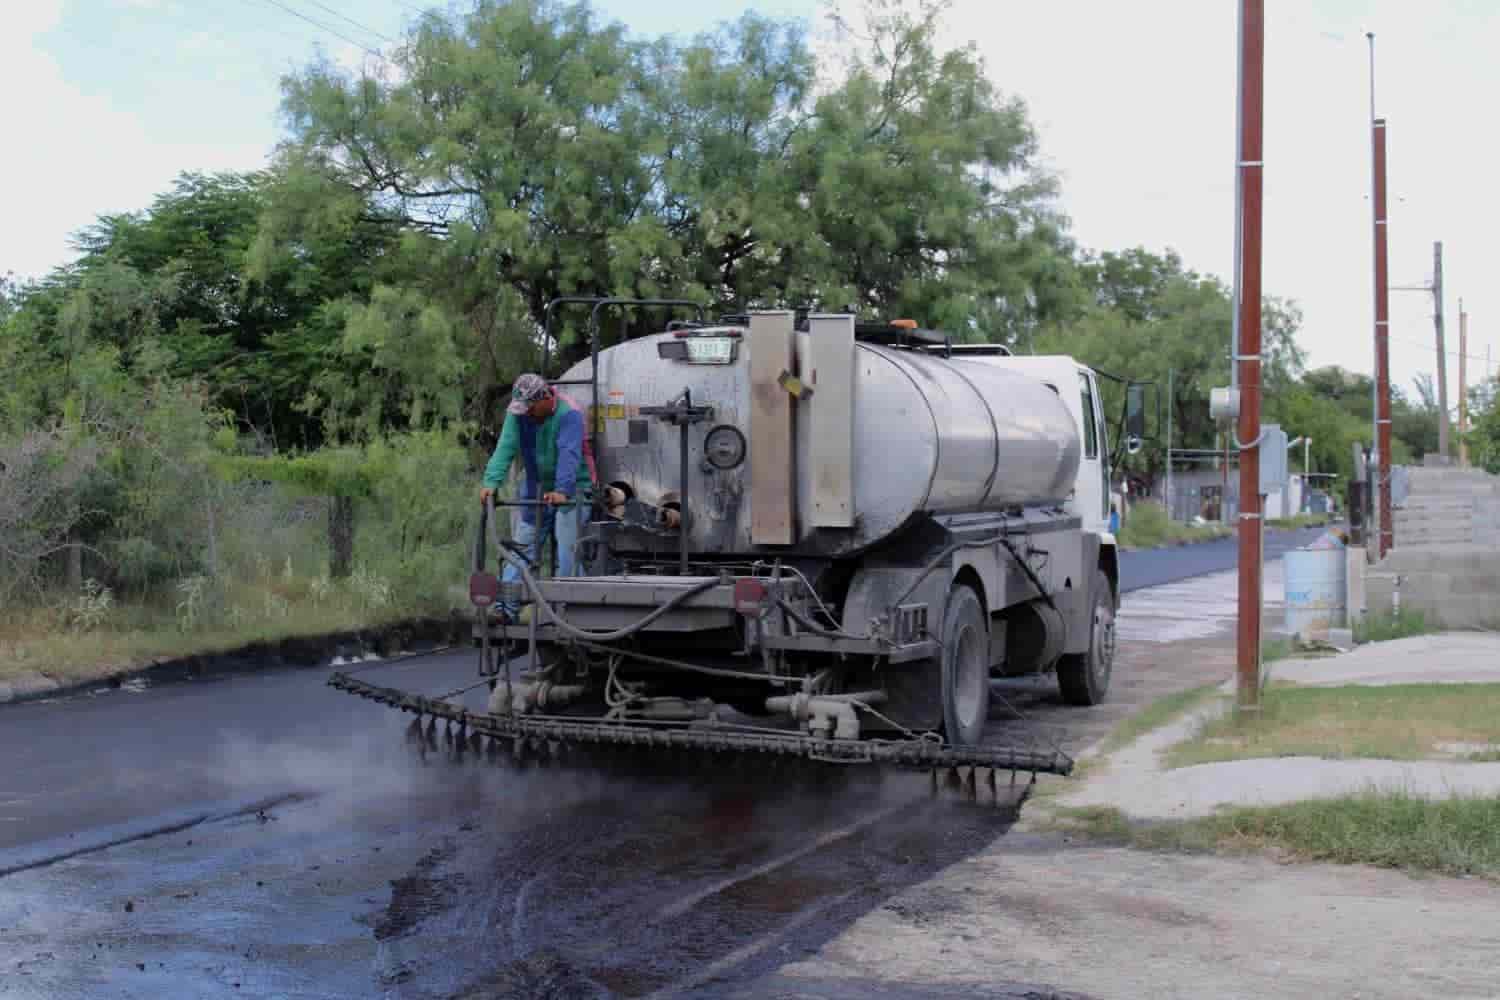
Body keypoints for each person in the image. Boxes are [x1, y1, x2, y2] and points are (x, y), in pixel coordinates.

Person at [480, 374, 594, 616]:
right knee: (522, 548)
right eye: (522, 410)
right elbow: (506, 446)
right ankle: (504, 609)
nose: (526, 414)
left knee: (567, 551)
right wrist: (491, 482)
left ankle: (575, 614)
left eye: (530, 408)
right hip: (537, 488)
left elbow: (569, 455)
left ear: (544, 398)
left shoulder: (569, 414)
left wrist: (562, 491)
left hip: (573, 489)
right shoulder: (519, 415)